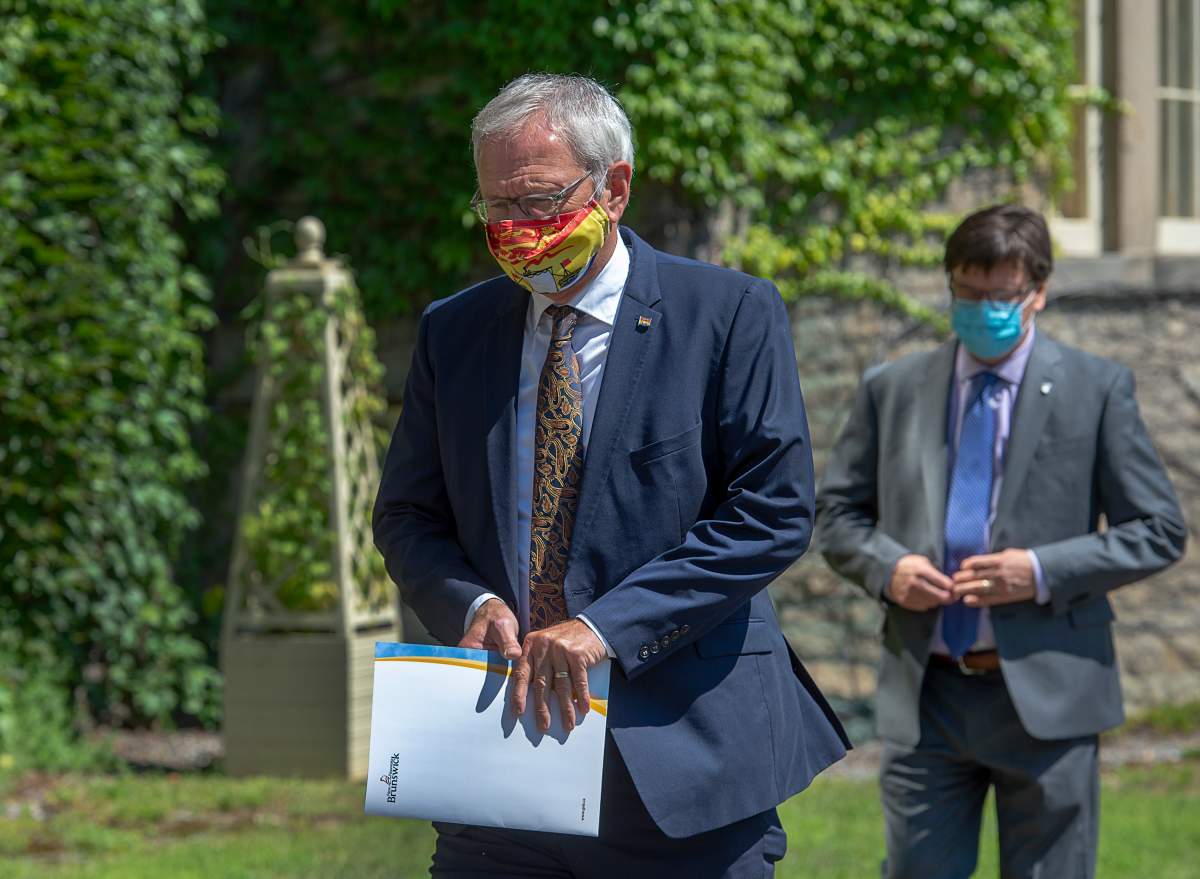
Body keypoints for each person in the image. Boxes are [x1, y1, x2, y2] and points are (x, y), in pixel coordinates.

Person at [372, 73, 849, 878]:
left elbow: (770, 513)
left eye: (539, 201)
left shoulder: (727, 314)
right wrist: (473, 601)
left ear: (614, 187)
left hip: (679, 760)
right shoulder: (453, 333)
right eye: (497, 208)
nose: (518, 230)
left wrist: (606, 628)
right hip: (501, 764)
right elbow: (408, 516)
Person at [815, 203, 1187, 878]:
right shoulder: (892, 388)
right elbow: (837, 515)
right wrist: (889, 569)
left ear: (1038, 290)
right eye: (967, 292)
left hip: (1049, 695)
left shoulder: (1096, 389)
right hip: (927, 691)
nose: (982, 308)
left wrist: (1041, 570)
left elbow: (1158, 530)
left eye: (1001, 296)